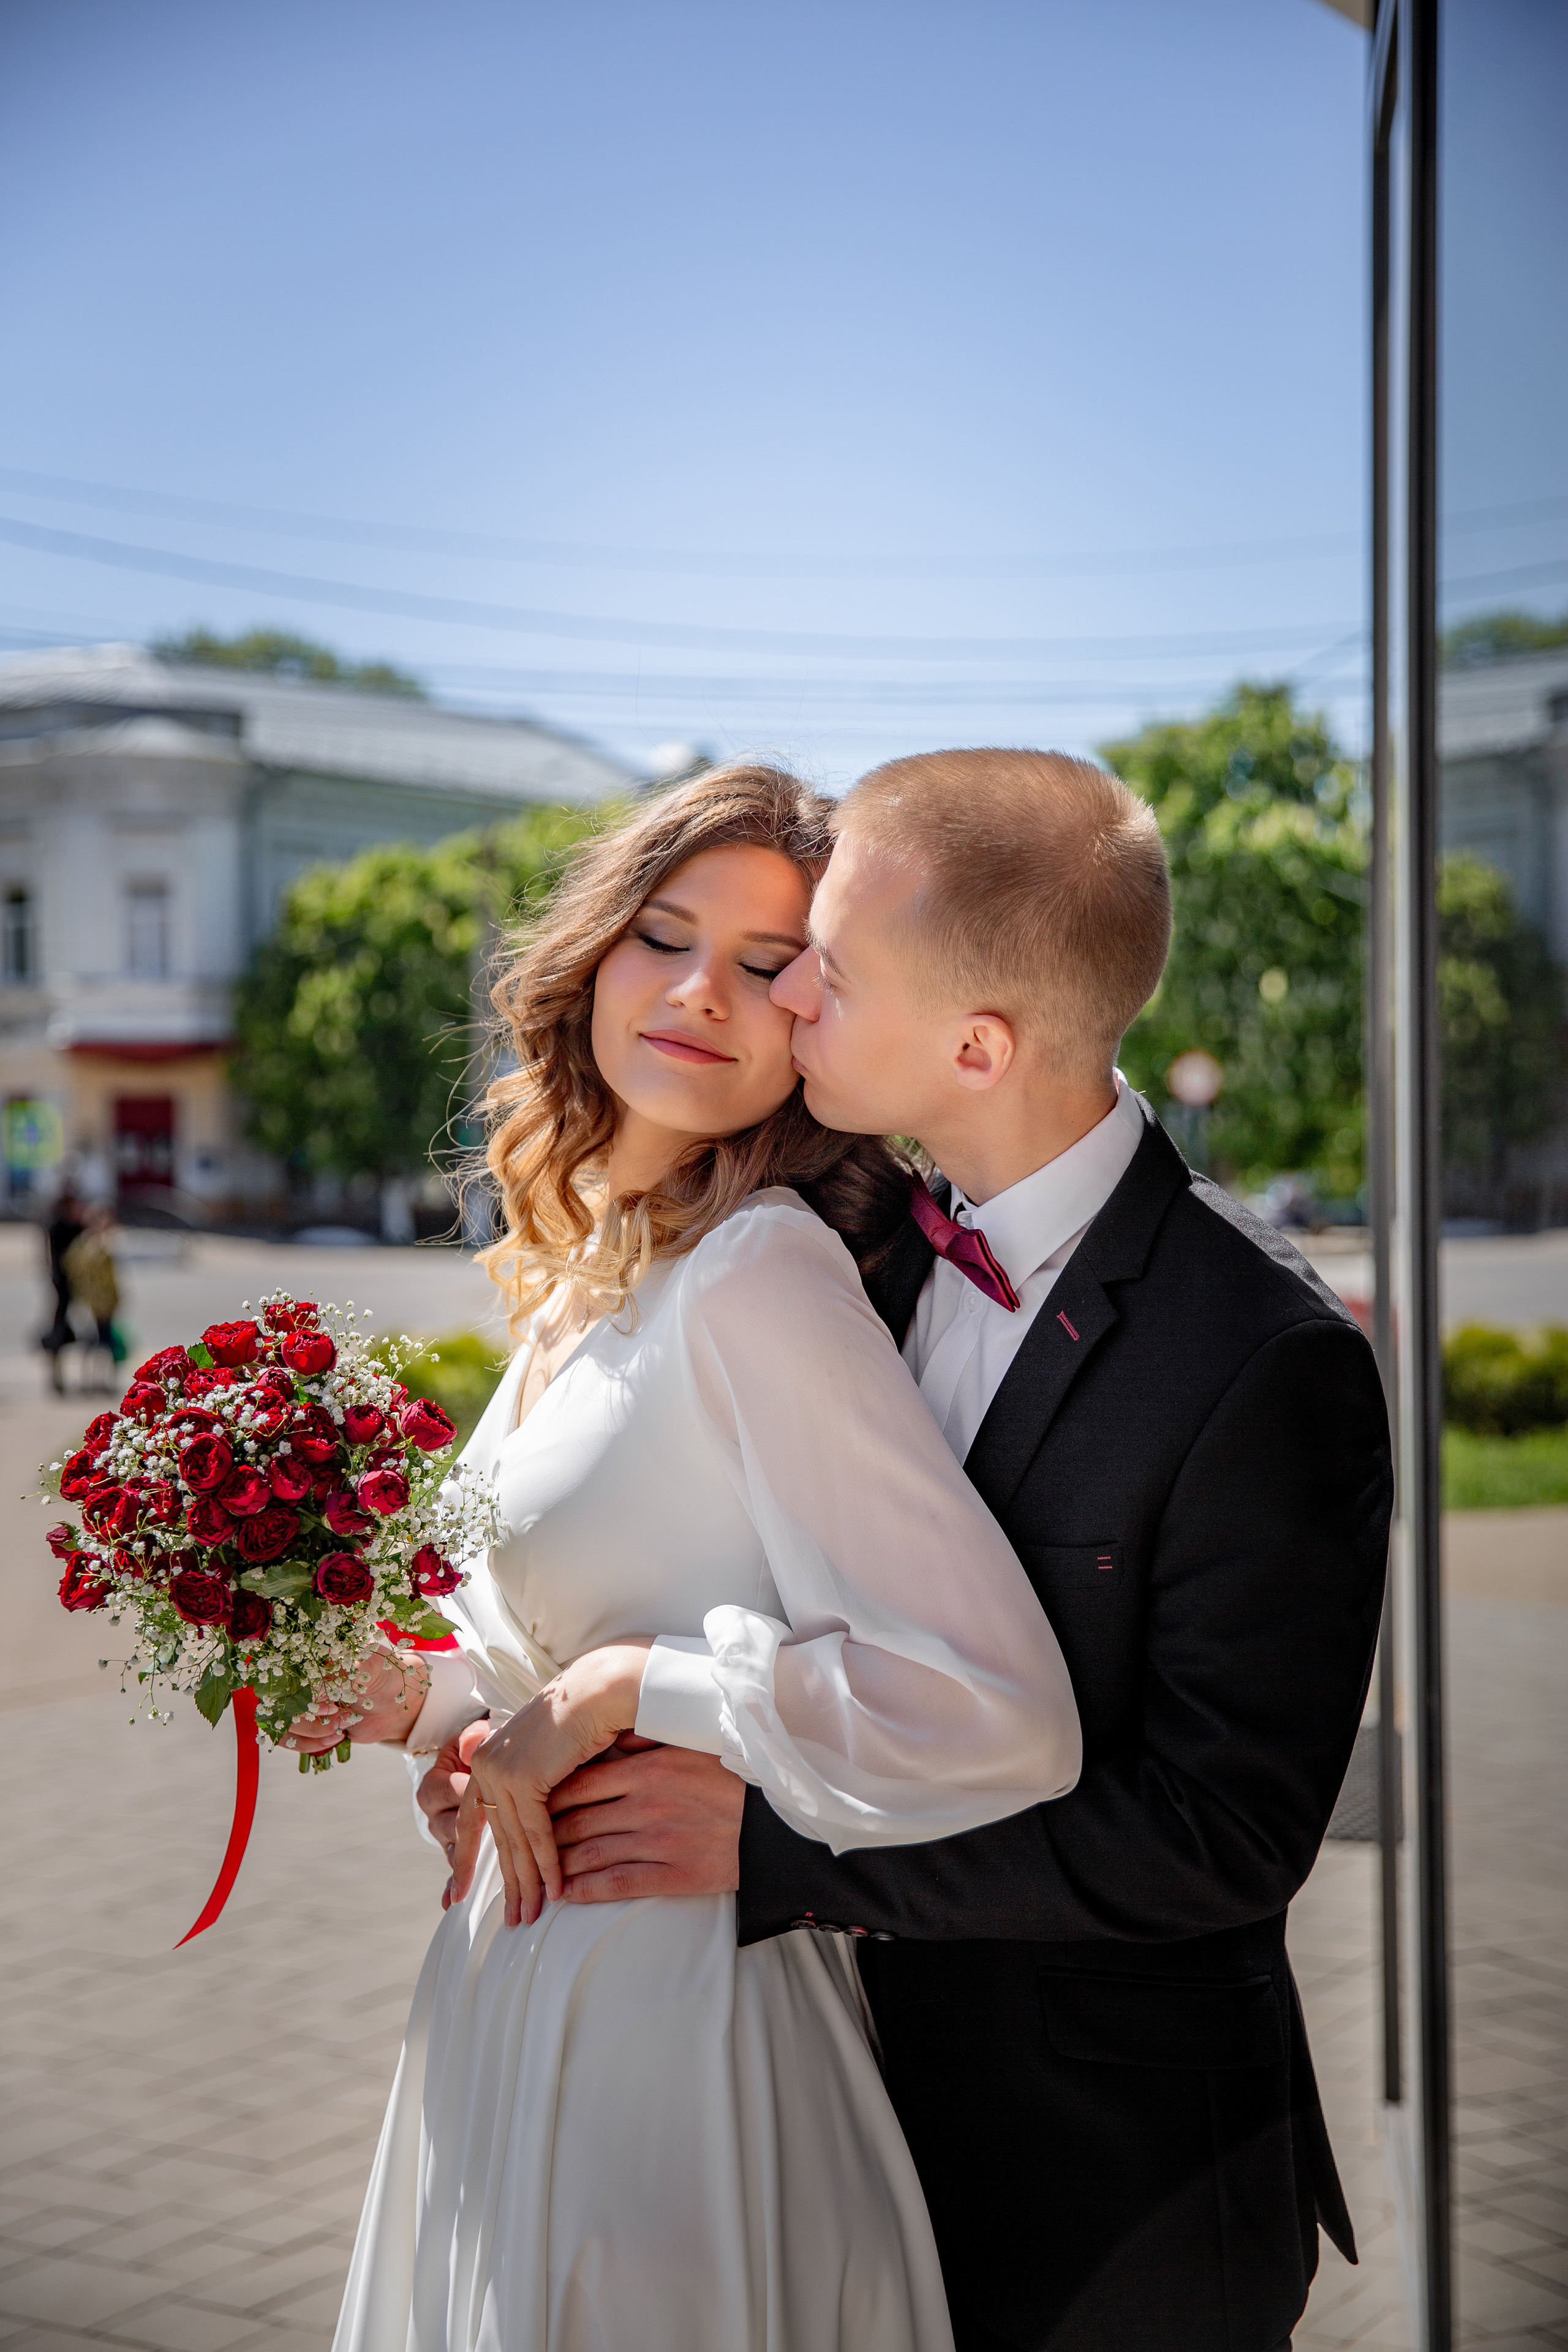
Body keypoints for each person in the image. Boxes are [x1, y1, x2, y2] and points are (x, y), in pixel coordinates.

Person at [466, 749, 1395, 2352]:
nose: (786, 997)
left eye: (823, 963)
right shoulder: (848, 1240)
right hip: (807, 2108)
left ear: (974, 1043)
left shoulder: (1261, 1354)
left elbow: (1221, 1836)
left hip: (1107, 2180)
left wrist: (774, 1857)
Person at [293, 763, 1083, 2352]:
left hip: (677, 2030)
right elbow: (538, 1662)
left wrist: (620, 1688)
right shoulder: (582, 1281)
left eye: (773, 965)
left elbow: (1003, 1707)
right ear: (595, 955)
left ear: (818, 1020)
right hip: (511, 1999)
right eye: (667, 934)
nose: (706, 991)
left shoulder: (762, 1274)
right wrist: (428, 1711)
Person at [41, 1186, 85, 1389]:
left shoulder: (71, 1226)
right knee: (60, 1331)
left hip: (74, 1286)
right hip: (65, 1285)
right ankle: (57, 1375)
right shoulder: (59, 1227)